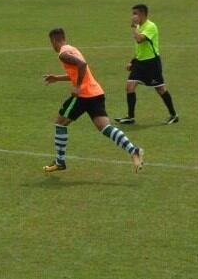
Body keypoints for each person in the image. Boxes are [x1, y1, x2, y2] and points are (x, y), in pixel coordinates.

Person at [43, 28, 144, 173]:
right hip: (95, 92)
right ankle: (133, 150)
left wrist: (77, 87)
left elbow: (82, 66)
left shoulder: (63, 54)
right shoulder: (72, 49)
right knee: (105, 128)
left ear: (53, 41)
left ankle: (60, 162)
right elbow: (80, 70)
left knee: (60, 123)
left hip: (83, 95)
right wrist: (58, 78)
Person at [115, 4, 178, 125]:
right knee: (130, 86)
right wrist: (132, 61)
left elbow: (139, 40)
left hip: (151, 63)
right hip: (139, 63)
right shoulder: (139, 26)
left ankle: (174, 115)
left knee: (160, 89)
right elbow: (140, 48)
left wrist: (133, 26)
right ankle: (130, 117)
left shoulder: (151, 26)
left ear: (142, 14)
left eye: (135, 14)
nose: (133, 16)